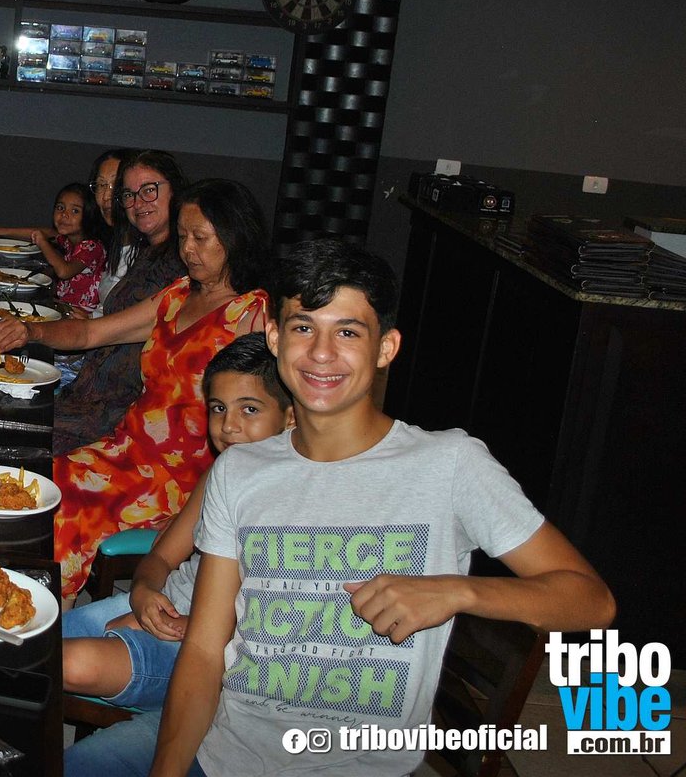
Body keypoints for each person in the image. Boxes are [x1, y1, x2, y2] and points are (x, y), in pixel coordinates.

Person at [151, 239, 615, 777]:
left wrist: (458, 591)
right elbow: (204, 651)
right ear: (275, 339)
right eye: (303, 328)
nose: (321, 353)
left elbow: (591, 600)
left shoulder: (450, 464)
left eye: (348, 332)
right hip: (229, 751)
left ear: (386, 348)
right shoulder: (238, 470)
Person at [0, 178, 272, 597]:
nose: (188, 249)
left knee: (67, 515)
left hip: (180, 479)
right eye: (182, 236)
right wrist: (31, 331)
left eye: (200, 238)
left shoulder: (253, 315)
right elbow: (91, 333)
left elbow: (269, 424)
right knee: (38, 487)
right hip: (126, 449)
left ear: (235, 238)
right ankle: (28, 604)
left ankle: (47, 617)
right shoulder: (178, 296)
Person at [61, 333, 292, 777]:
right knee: (20, 647)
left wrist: (191, 627)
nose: (228, 426)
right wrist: (143, 592)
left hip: (202, 647)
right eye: (219, 408)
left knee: (67, 661)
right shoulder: (223, 472)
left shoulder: (295, 502)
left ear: (290, 416)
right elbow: (162, 558)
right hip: (162, 607)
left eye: (250, 409)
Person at [35, 150, 188, 453]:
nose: (138, 203)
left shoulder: (177, 266)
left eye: (149, 190)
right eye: (129, 194)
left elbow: (93, 333)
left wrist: (33, 331)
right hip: (89, 394)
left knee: (19, 431)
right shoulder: (146, 254)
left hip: (115, 413)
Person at [0, 182, 109, 312]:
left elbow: (64, 271)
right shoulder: (68, 239)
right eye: (60, 207)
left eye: (75, 211)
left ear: (90, 215)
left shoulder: (92, 246)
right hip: (64, 306)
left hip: (82, 313)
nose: (64, 214)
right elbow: (41, 232)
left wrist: (42, 242)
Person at [84, 148, 138, 313]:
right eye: (101, 185)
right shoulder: (114, 242)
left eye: (116, 185)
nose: (106, 195)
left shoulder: (149, 254)